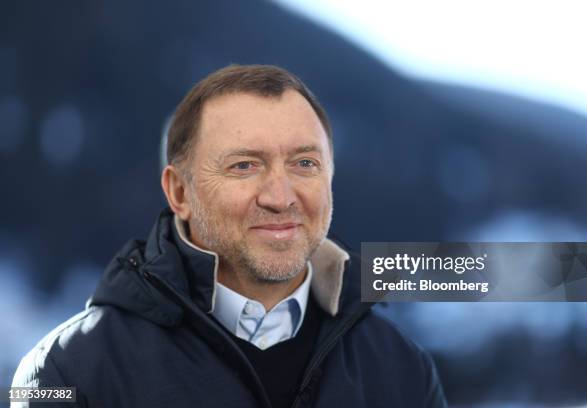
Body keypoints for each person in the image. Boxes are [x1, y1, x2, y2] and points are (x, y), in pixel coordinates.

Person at [12, 64, 447, 407]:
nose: (281, 197)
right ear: (179, 192)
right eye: (244, 165)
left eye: (304, 164)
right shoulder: (69, 372)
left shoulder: (402, 368)